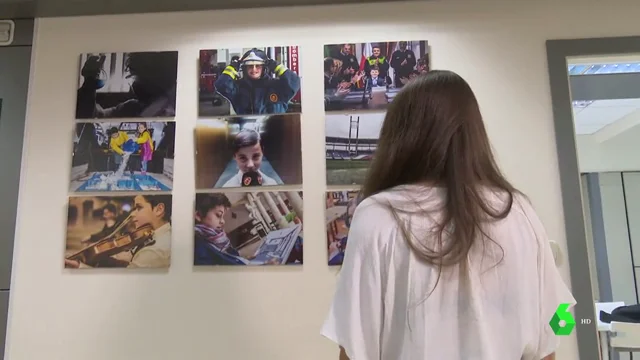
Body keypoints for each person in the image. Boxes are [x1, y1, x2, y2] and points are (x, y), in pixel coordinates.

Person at [321, 71, 574, 360]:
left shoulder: (378, 215)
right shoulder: (519, 210)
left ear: (398, 137)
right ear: (473, 134)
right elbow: (557, 326)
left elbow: (354, 349)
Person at [65, 195, 172, 268]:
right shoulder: (159, 235)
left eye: (139, 208)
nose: (133, 214)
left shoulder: (153, 252)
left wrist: (80, 267)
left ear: (159, 209)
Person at [76, 52, 177, 118]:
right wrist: (89, 83)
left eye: (139, 77)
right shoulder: (132, 108)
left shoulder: (173, 110)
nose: (134, 84)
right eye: (134, 76)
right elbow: (95, 118)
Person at [215, 48, 301, 115]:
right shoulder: (238, 88)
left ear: (264, 68)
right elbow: (221, 85)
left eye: (258, 66)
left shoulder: (276, 87)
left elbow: (294, 82)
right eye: (250, 66)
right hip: (247, 133)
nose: (254, 69)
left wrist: (276, 66)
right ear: (244, 68)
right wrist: (233, 68)